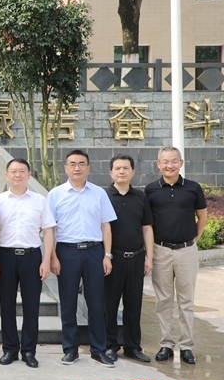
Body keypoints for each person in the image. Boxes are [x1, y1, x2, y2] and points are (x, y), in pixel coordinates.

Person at [47, 149, 117, 368]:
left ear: (88, 167)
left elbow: (106, 226)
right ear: (65, 168)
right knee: (68, 302)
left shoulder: (99, 193)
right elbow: (49, 229)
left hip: (94, 252)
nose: (77, 168)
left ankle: (98, 350)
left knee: (96, 302)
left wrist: (107, 255)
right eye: (72, 164)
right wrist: (52, 257)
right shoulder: (55, 194)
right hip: (66, 252)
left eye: (81, 164)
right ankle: (70, 349)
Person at [0, 158, 55, 369]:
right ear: (6, 175)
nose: (17, 175)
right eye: (13, 171)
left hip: (32, 257)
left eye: (22, 171)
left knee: (31, 306)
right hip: (6, 256)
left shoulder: (39, 200)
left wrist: (46, 260)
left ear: (29, 174)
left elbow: (48, 231)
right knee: (7, 305)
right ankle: (9, 349)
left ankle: (29, 351)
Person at [145, 146, 207, 365]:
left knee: (186, 300)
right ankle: (166, 344)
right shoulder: (151, 190)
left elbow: (202, 217)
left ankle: (187, 346)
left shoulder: (193, 188)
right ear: (158, 164)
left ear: (181, 163)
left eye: (174, 161)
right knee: (163, 300)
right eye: (165, 161)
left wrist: (193, 241)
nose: (169, 165)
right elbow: (147, 224)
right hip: (160, 250)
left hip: (186, 250)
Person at [104, 154, 154, 363]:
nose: (121, 171)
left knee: (133, 305)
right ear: (111, 172)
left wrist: (149, 257)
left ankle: (133, 346)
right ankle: (110, 345)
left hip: (136, 258)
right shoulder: (103, 196)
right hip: (112, 258)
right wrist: (105, 256)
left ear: (133, 172)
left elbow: (147, 228)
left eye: (125, 168)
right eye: (117, 168)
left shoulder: (141, 197)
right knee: (109, 304)